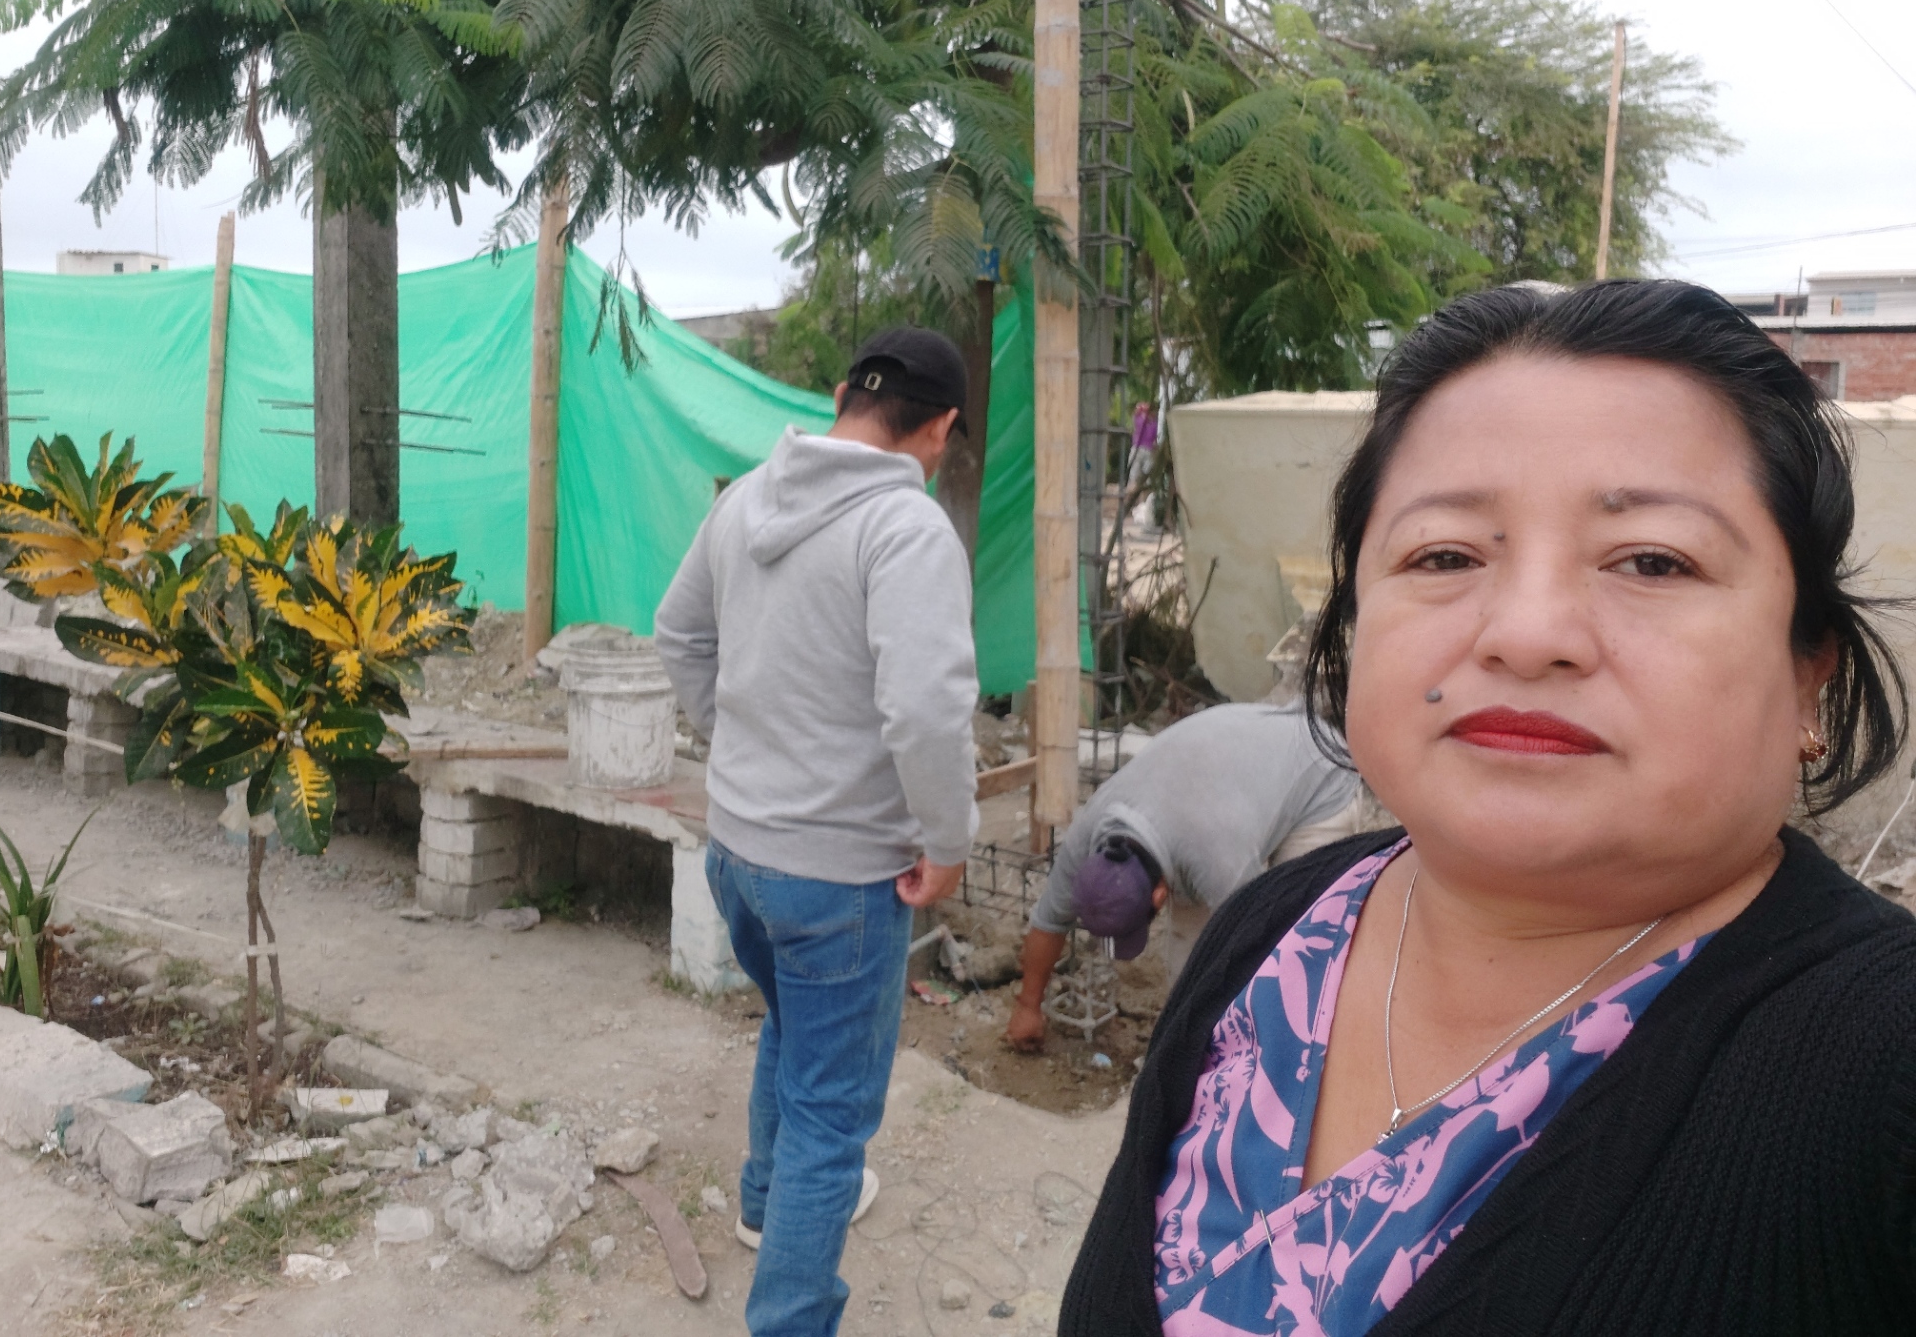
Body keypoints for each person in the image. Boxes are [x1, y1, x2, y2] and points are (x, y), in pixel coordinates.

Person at [1061, 280, 1916, 1336]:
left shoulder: (1882, 1070)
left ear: (1808, 672)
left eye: (1653, 560)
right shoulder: (1265, 930)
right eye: (1446, 555)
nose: (1525, 632)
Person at [655, 326, 981, 1337]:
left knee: (792, 1028)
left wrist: (739, 749)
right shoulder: (905, 526)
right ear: (940, 427)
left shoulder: (745, 498)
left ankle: (762, 1202)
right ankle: (790, 1316)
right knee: (833, 1116)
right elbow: (925, 710)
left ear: (841, 395)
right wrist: (948, 840)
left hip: (737, 851)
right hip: (841, 875)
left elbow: (678, 632)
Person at [1004, 703, 1363, 1052]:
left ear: (1160, 895)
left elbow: (1259, 948)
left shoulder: (1217, 862)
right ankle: (1188, 1045)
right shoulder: (1087, 837)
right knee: (1190, 956)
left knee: (1296, 931)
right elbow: (1048, 922)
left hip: (1319, 772)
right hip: (1233, 772)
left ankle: (1289, 1053)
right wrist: (1028, 1007)